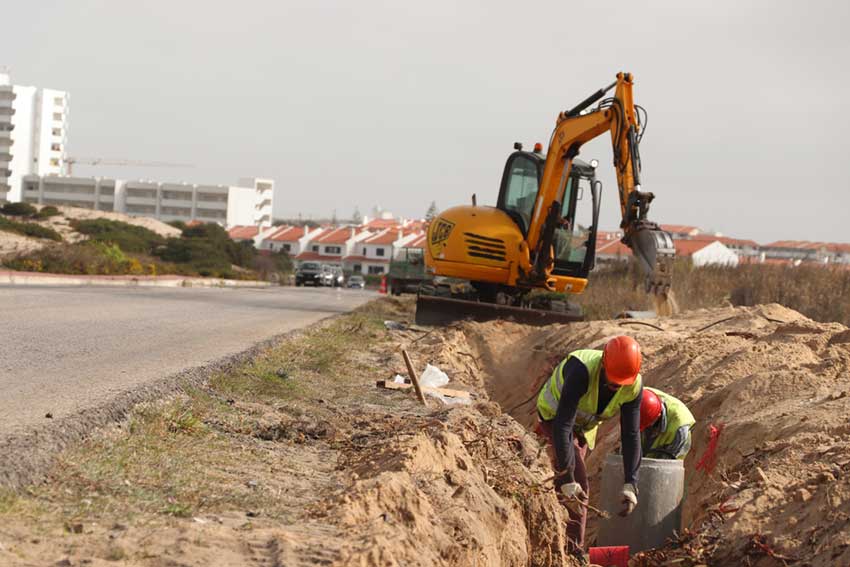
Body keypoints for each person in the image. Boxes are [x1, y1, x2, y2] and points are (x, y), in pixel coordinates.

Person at [534, 335, 644, 553]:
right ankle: (572, 553)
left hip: (583, 429)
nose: (615, 387)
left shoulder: (633, 386)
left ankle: (557, 539)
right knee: (577, 483)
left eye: (620, 384)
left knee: (570, 486)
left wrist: (631, 482)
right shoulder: (581, 370)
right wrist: (568, 476)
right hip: (554, 417)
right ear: (604, 363)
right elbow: (563, 424)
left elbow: (631, 434)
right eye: (613, 381)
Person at [639, 387, 696, 460]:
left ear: (658, 416)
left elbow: (668, 465)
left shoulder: (679, 429)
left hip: (670, 450)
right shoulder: (639, 396)